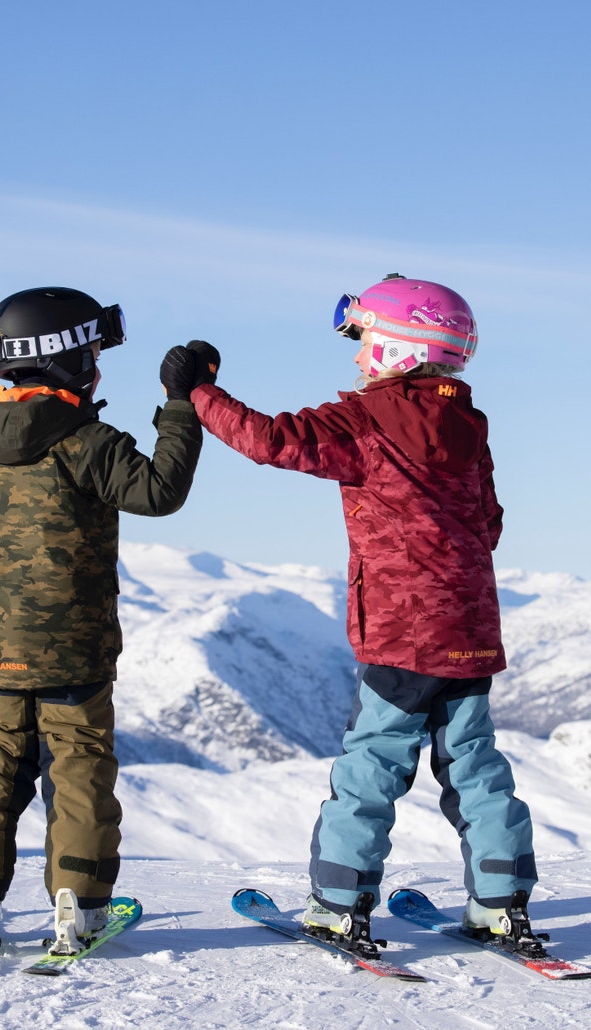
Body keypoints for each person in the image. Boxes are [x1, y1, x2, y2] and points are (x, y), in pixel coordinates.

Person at [188, 274, 538, 950]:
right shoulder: (467, 425)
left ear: (400, 348)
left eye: (366, 340)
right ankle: (502, 902)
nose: (357, 357)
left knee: (371, 766)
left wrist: (198, 392)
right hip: (467, 630)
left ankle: (340, 902)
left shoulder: (365, 420)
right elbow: (488, 524)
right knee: (475, 765)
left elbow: (267, 439)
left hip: (402, 633)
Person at [0, 286, 208, 960]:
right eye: (91, 352)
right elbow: (160, 490)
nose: (96, 365)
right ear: (64, 362)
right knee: (79, 770)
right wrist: (181, 403)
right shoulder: (86, 443)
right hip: (75, 657)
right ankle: (79, 908)